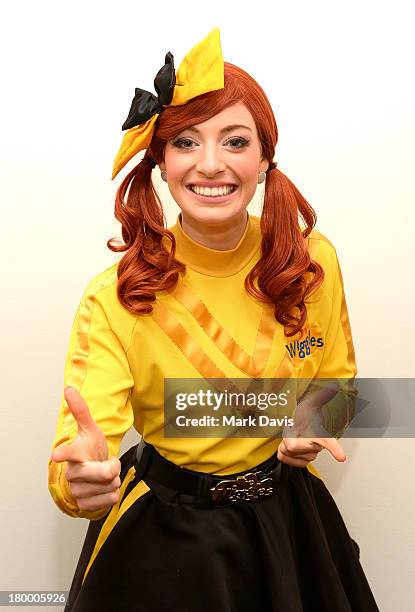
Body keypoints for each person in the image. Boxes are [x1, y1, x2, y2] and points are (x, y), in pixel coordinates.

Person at [48, 27, 379, 612]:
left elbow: (344, 385)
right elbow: (79, 449)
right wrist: (82, 485)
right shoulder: (117, 296)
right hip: (166, 540)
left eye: (234, 141)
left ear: (264, 157)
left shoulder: (312, 262)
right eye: (185, 143)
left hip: (290, 530)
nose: (209, 164)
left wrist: (315, 414)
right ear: (161, 162)